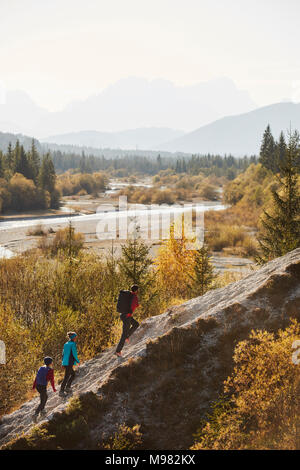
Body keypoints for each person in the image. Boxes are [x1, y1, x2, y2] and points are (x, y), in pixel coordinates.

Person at [115, 285, 140, 357]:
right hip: (127, 316)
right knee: (124, 334)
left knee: (136, 324)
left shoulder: (129, 294)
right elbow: (135, 305)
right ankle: (118, 351)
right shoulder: (134, 296)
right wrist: (130, 312)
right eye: (138, 290)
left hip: (123, 315)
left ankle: (127, 336)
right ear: (136, 290)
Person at [32, 356, 56, 422]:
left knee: (45, 397)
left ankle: (42, 410)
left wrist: (34, 386)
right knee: (43, 401)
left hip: (38, 386)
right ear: (50, 362)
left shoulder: (41, 368)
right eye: (52, 361)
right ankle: (35, 414)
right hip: (42, 386)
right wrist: (54, 388)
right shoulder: (50, 370)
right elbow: (52, 380)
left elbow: (36, 378)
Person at [59, 331, 80, 397]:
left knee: (72, 374)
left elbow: (63, 354)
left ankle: (67, 387)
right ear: (73, 337)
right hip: (69, 362)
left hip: (65, 362)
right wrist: (77, 361)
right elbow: (74, 353)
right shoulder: (73, 344)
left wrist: (62, 363)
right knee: (67, 377)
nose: (76, 338)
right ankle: (61, 391)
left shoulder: (66, 344)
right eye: (75, 337)